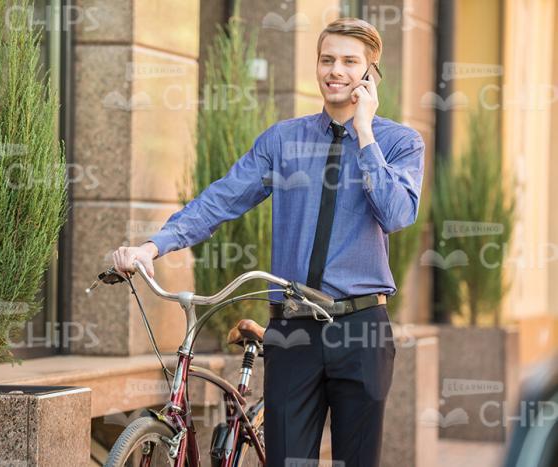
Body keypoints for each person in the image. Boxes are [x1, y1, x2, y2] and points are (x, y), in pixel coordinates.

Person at [112, 17, 424, 467]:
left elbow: (397, 214)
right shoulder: (283, 140)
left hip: (362, 329)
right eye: (327, 59)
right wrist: (152, 246)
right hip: (293, 331)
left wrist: (366, 132)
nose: (335, 70)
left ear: (370, 73)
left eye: (349, 62)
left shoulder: (399, 143)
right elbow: (221, 199)